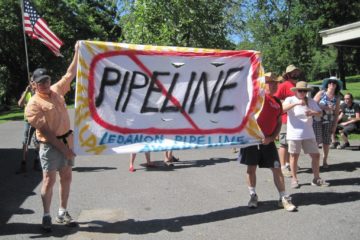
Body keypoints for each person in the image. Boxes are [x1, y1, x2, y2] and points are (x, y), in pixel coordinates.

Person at [25, 42, 79, 232]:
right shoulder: (32, 105)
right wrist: (65, 149)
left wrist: (77, 52)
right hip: (49, 146)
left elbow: (69, 74)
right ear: (34, 84)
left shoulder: (56, 90)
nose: (45, 83)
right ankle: (46, 215)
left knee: (66, 177)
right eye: (40, 81)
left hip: (66, 140)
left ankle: (62, 212)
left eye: (46, 79)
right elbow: (47, 132)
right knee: (49, 180)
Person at [240, 72, 296, 212]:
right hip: (252, 141)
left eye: (275, 83)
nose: (274, 85)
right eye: (270, 82)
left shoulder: (277, 102)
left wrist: (271, 138)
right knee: (251, 169)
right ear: (262, 85)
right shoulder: (256, 99)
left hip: (269, 142)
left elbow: (278, 123)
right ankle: (253, 195)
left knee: (277, 169)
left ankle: (283, 197)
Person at [283, 81, 329, 189]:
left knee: (316, 155)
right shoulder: (290, 100)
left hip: (308, 133)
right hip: (294, 134)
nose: (302, 93)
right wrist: (297, 103)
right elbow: (282, 109)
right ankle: (294, 179)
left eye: (305, 91)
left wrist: (313, 113)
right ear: (296, 91)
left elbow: (320, 113)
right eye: (300, 91)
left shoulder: (311, 101)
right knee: (294, 156)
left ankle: (316, 178)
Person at [274, 65, 301, 177]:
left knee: (291, 142)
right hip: (285, 118)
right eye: (292, 72)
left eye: (296, 72)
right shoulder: (284, 85)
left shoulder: (297, 85)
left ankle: (290, 163)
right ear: (287, 74)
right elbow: (275, 100)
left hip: (295, 119)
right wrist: (286, 102)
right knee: (284, 144)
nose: (295, 74)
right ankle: (283, 166)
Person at [313, 77, 341, 168]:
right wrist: (325, 107)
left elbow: (336, 114)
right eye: (330, 83)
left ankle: (325, 160)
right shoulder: (321, 93)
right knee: (317, 140)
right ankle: (315, 160)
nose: (332, 84)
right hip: (317, 120)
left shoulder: (337, 98)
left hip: (329, 121)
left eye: (334, 83)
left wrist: (334, 126)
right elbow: (312, 105)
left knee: (326, 141)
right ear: (327, 85)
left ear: (336, 86)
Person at [17, 77, 41, 173]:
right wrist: (26, 92)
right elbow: (20, 104)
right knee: (26, 142)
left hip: (38, 121)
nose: (32, 83)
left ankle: (37, 161)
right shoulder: (26, 93)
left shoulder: (39, 93)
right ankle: (23, 164)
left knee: (39, 142)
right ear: (29, 83)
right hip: (28, 121)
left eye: (34, 81)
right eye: (31, 81)